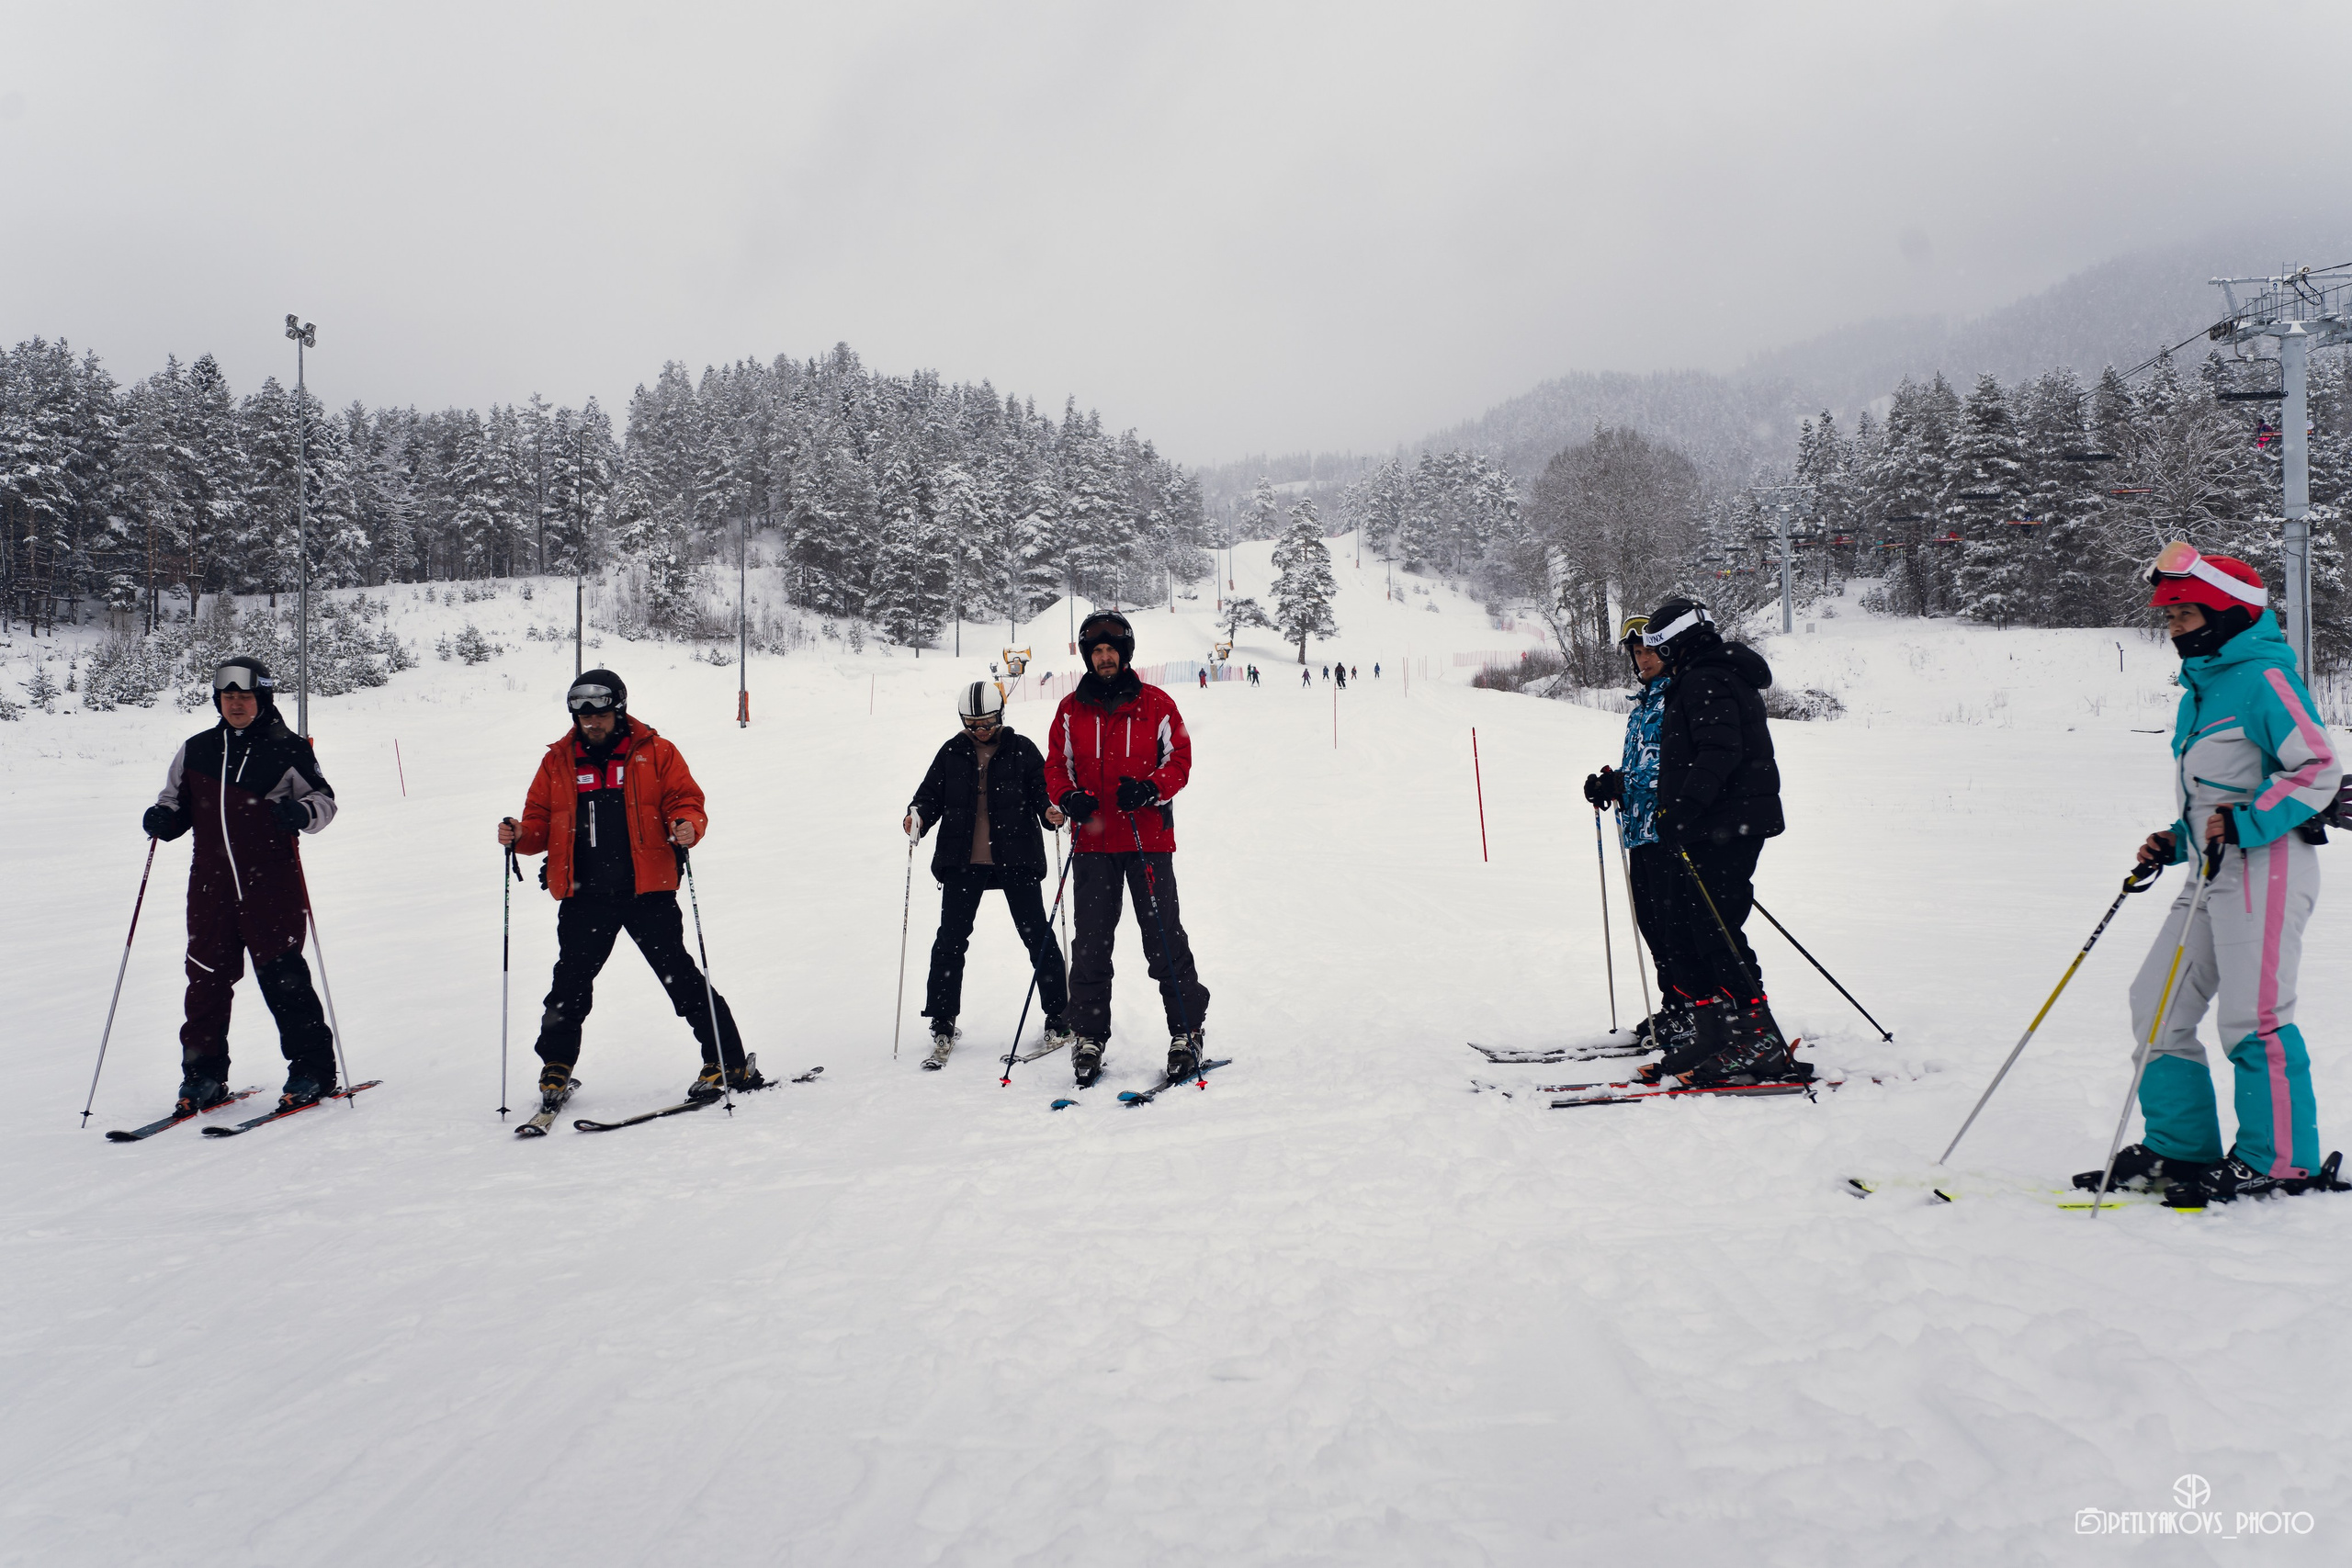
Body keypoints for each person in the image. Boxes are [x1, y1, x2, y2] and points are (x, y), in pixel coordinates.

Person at [2092, 546, 2342, 1206]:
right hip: (2213, 869)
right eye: (2168, 614)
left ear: (2225, 614)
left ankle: (2280, 1160)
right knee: (2157, 1002)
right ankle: (2180, 1148)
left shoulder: (2264, 677)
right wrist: (2173, 840)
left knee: (2253, 1017)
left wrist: (2246, 822)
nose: (2172, 625)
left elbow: (2316, 768)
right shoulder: (2204, 686)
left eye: (2183, 612)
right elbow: (2216, 794)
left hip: (2269, 867)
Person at [497, 669, 760, 1107]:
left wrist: (688, 827)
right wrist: (521, 835)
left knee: (682, 980)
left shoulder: (655, 752)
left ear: (618, 710)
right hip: (584, 895)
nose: (590, 724)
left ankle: (728, 1061)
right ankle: (556, 1067)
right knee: (570, 985)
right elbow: (540, 822)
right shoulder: (558, 761)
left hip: (647, 892)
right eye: (582, 717)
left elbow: (687, 801)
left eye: (598, 715)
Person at [141, 657, 342, 1112]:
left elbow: (324, 801)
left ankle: (312, 1068)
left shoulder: (287, 749)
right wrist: (163, 820)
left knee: (284, 980)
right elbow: (174, 803)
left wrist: (302, 813)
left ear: (262, 698)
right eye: (228, 696)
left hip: (270, 885)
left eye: (245, 696)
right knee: (205, 981)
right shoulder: (197, 749)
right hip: (210, 888)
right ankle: (203, 1075)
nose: (235, 703)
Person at [1047, 610, 1212, 1086]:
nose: (1103, 658)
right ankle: (1089, 1035)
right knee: (1091, 945)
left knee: (1163, 936)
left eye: (1110, 650)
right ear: (1087, 656)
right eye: (1096, 651)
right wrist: (1068, 796)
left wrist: (1149, 789)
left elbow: (1179, 759)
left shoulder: (1157, 704)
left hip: (1147, 843)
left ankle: (1187, 1030)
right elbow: (1056, 765)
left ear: (1125, 654)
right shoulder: (1069, 710)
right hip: (1094, 844)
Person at [1634, 599, 1792, 1086]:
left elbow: (1719, 753)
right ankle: (1714, 1032)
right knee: (1684, 930)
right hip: (1713, 826)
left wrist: (1683, 810)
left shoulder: (1709, 678)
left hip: (1729, 826)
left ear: (1681, 641)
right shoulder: (1702, 675)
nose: (1653, 654)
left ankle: (1760, 1041)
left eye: (1660, 645)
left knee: (1714, 931)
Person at [904, 681, 1072, 1068]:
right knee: (951, 940)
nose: (981, 730)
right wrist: (917, 816)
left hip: (1017, 859)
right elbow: (928, 796)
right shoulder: (951, 752)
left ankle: (1059, 1015)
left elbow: (1043, 792)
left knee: (1037, 935)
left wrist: (1051, 809)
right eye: (972, 723)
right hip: (963, 861)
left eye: (988, 723)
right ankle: (943, 1020)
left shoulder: (1022, 749)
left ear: (1001, 716)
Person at [1583, 615, 1685, 1054]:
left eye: (1649, 651)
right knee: (1654, 926)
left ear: (1667, 652)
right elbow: (1644, 765)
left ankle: (1694, 1008)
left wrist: (1625, 783)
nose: (1642, 659)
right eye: (1636, 653)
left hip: (1669, 833)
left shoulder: (1677, 699)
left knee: (1677, 926)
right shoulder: (1643, 704)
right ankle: (1677, 1005)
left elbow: (1672, 770)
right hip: (1640, 833)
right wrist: (1613, 783)